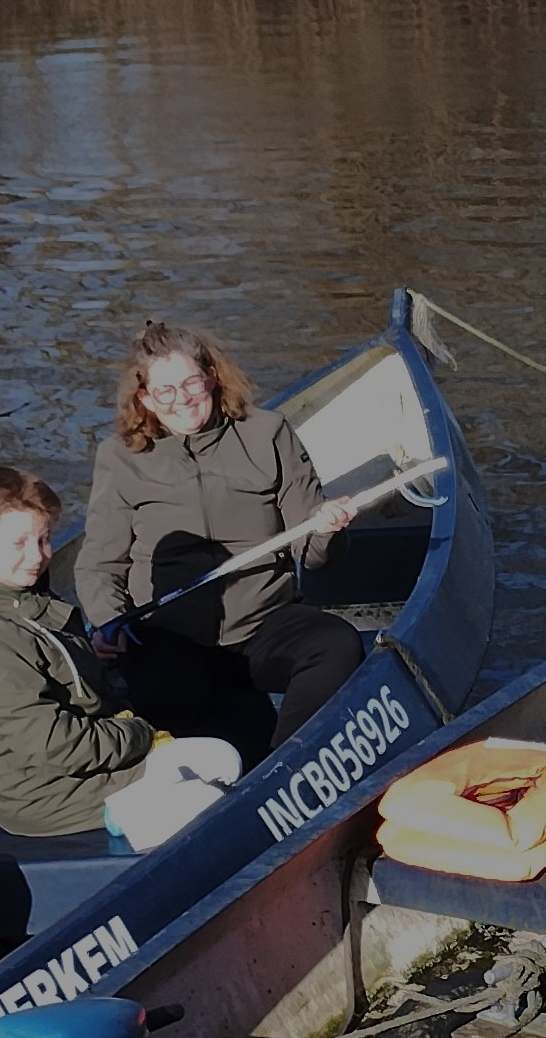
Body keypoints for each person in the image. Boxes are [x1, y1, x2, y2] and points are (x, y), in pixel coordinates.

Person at [78, 320, 368, 758]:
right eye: (165, 392)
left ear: (211, 376)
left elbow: (311, 554)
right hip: (170, 633)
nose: (182, 400)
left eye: (192, 383)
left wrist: (326, 529)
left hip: (263, 622)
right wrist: (107, 619)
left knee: (338, 646)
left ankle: (291, 762)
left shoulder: (268, 432)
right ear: (145, 399)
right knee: (165, 690)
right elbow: (101, 563)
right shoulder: (119, 458)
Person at [0, 466, 246, 845]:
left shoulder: (21, 601)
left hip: (73, 766)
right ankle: (130, 824)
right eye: (18, 542)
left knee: (221, 753)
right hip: (46, 796)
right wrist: (140, 734)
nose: (36, 557)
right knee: (214, 793)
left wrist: (83, 656)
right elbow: (53, 743)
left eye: (43, 540)